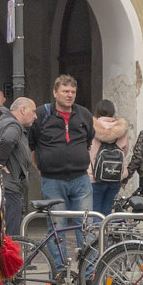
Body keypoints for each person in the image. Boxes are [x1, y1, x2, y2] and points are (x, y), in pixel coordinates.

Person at [29, 75, 95, 260]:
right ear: (55, 92)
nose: (70, 95)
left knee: (86, 225)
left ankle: (88, 272)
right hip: (52, 180)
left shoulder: (84, 114)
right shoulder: (42, 114)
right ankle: (59, 271)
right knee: (57, 228)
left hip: (81, 179)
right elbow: (32, 144)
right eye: (65, 91)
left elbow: (89, 139)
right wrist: (42, 166)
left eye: (73, 92)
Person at [0, 97, 37, 236]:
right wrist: (0, 163)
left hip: (6, 186)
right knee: (12, 236)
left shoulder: (3, 121)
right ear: (23, 109)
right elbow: (8, 139)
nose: (35, 116)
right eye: (33, 111)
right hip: (10, 188)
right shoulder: (14, 125)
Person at [88, 99, 130, 216]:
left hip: (94, 177)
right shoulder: (122, 128)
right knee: (107, 214)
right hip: (115, 176)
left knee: (94, 214)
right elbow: (125, 151)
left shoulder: (91, 127)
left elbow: (87, 149)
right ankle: (105, 234)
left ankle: (97, 233)